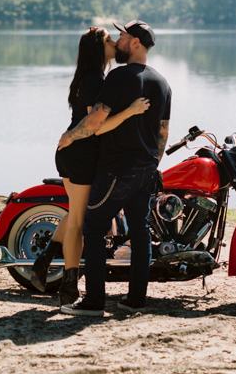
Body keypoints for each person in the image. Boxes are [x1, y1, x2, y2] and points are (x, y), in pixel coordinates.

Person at [57, 20, 171, 317]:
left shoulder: (118, 77)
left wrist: (70, 136)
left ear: (134, 42)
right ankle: (136, 299)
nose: (118, 40)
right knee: (140, 231)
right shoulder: (163, 83)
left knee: (93, 228)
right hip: (146, 170)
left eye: (122, 36)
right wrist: (151, 163)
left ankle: (94, 301)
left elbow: (95, 121)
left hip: (116, 168)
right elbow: (163, 133)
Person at [30, 27, 150, 307]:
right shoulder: (96, 79)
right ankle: (69, 289)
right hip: (82, 154)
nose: (113, 43)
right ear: (99, 48)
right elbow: (95, 125)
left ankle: (43, 261)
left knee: (76, 213)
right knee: (79, 223)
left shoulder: (87, 77)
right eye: (109, 40)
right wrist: (130, 111)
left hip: (74, 153)